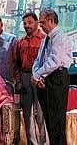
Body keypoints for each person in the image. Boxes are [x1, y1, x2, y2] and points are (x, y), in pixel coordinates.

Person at [31, 9, 73, 145]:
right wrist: (37, 75)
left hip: (57, 78)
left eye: (42, 22)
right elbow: (39, 60)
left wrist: (38, 75)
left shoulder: (60, 37)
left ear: (51, 21)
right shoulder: (46, 39)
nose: (40, 26)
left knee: (56, 122)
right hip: (46, 79)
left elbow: (54, 62)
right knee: (49, 120)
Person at [16, 12, 49, 144]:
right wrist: (18, 81)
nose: (27, 25)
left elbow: (47, 61)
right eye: (24, 23)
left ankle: (44, 142)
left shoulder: (44, 39)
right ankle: (32, 142)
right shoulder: (21, 41)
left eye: (30, 22)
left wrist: (43, 77)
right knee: (27, 113)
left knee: (41, 112)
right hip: (25, 77)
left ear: (37, 23)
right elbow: (16, 63)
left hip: (40, 77)